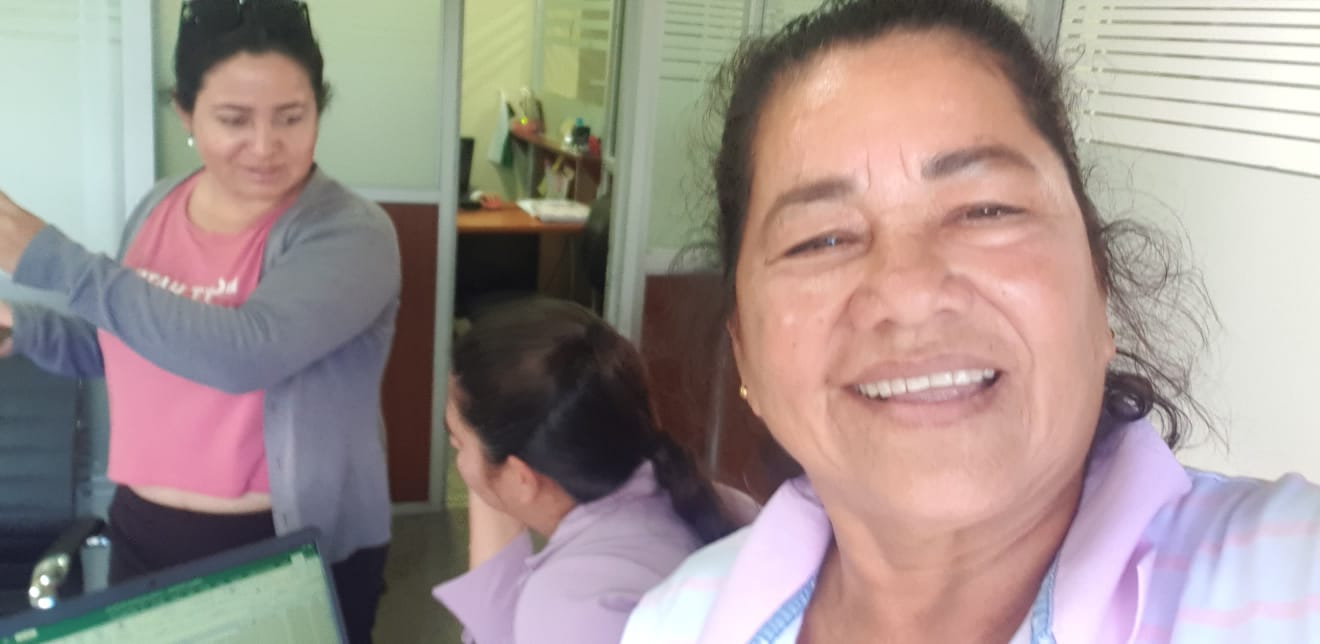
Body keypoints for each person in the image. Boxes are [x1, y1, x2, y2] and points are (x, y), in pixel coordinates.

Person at [621, 0, 1320, 642]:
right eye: (820, 240)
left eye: (987, 210)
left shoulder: (1285, 578)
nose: (909, 292)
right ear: (744, 352)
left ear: (1098, 289)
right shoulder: (675, 622)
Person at [0, 1, 396, 641]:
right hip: (142, 532)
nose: (265, 146)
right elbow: (131, 342)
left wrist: (54, 260)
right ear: (186, 113)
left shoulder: (350, 232)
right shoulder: (160, 205)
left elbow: (244, 353)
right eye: (235, 119)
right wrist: (24, 329)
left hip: (278, 548)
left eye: (291, 117)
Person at [433, 296, 752, 644]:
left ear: (522, 478)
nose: (457, 457)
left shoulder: (569, 603)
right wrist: (493, 465)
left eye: (458, 443)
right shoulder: (718, 503)